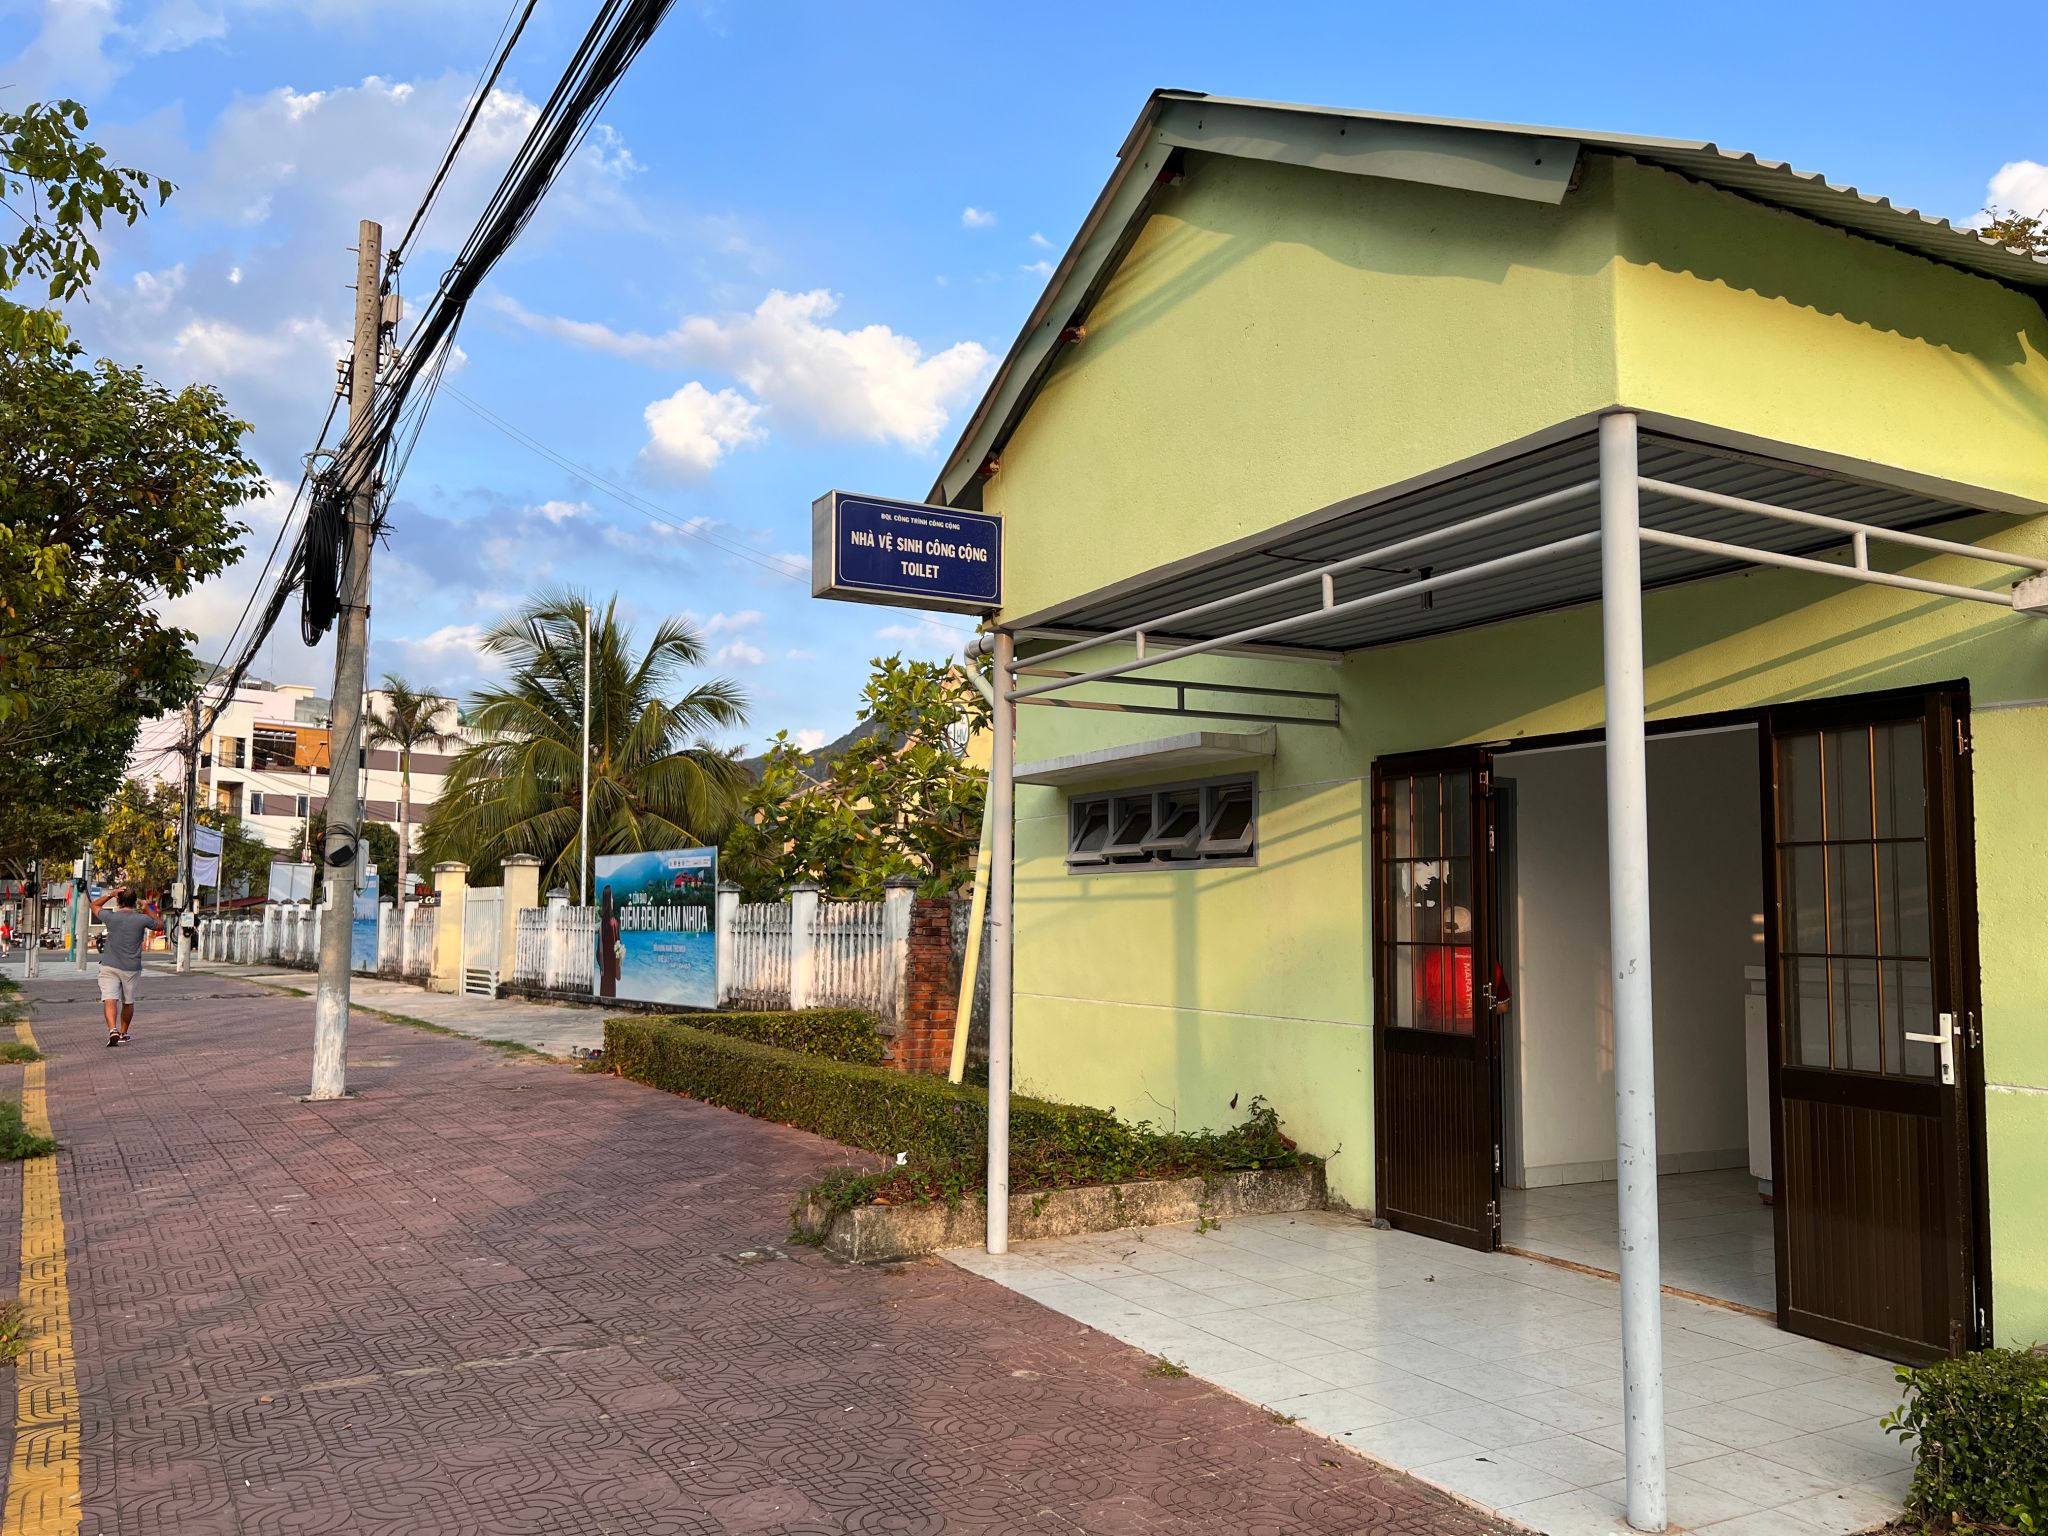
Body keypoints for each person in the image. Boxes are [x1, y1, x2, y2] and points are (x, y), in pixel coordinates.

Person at [90, 887, 163, 1047]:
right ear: (134, 903)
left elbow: (94, 906)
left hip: (109, 965)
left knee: (110, 999)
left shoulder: (110, 917)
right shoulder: (141, 919)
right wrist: (147, 909)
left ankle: (112, 1030)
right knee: (128, 1002)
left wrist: (110, 894)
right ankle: (123, 1033)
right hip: (131, 967)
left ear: (118, 901)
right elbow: (159, 925)